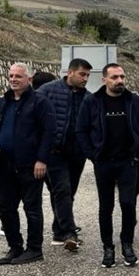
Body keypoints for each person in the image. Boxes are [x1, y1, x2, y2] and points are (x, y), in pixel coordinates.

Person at [76, 63, 139, 268]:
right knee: (105, 206)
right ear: (104, 80)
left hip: (128, 162)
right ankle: (108, 247)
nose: (120, 81)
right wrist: (92, 155)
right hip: (104, 163)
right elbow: (80, 131)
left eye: (122, 77)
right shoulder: (92, 102)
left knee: (128, 204)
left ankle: (127, 244)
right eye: (115, 77)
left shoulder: (134, 101)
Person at [0, 63, 54, 265]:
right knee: (5, 208)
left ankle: (34, 249)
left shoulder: (40, 103)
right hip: (4, 165)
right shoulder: (2, 102)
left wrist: (42, 160)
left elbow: (49, 133)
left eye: (18, 76)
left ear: (29, 80)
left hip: (30, 166)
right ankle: (15, 247)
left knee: (32, 208)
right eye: (11, 76)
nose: (13, 79)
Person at [39, 58, 92, 251]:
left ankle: (59, 231)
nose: (85, 79)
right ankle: (70, 233)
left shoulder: (88, 98)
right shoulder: (48, 91)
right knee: (62, 189)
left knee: (67, 193)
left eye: (87, 75)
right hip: (55, 152)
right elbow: (35, 113)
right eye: (82, 74)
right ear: (70, 72)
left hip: (77, 154)